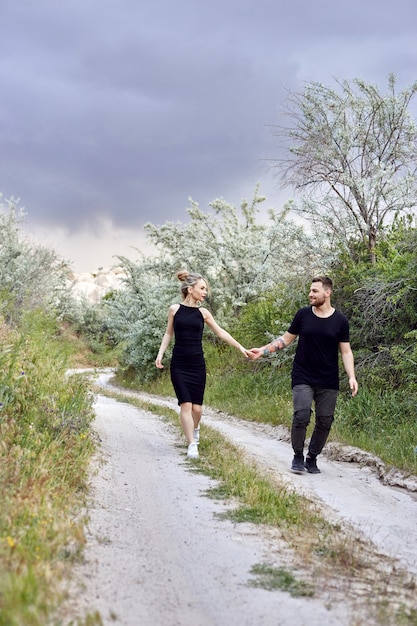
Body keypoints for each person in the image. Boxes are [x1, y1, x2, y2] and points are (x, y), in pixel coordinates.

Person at [249, 276, 358, 474]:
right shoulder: (303, 315)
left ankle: (312, 457)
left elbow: (346, 351)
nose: (310, 294)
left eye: (315, 291)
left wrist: (352, 376)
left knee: (325, 420)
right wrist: (263, 351)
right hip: (303, 375)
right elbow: (285, 339)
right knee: (301, 415)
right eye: (310, 291)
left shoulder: (340, 321)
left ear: (327, 292)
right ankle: (298, 455)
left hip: (328, 378)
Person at [156, 270, 249, 459]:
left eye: (205, 289)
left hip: (197, 364)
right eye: (202, 288)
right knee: (186, 405)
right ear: (190, 290)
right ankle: (192, 444)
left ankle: (195, 428)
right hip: (179, 364)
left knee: (198, 409)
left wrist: (241, 347)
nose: (205, 292)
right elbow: (168, 333)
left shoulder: (203, 313)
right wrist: (160, 354)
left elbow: (221, 333)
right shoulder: (174, 310)